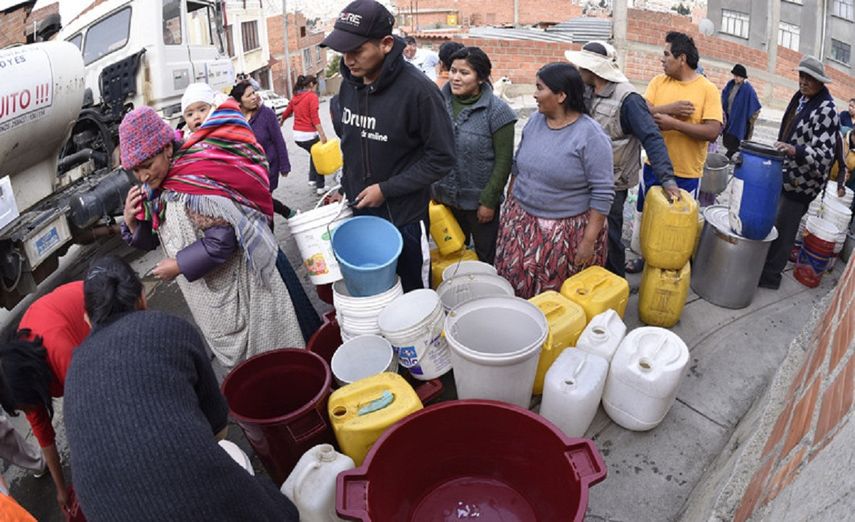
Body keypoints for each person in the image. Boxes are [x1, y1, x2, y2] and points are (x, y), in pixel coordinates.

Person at [64, 256, 299, 521]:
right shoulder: (167, 327)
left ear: (87, 318)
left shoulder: (74, 368)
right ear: (142, 298)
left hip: (105, 514)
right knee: (282, 510)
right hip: (188, 500)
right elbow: (218, 429)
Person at [119, 104, 319, 368]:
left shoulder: (194, 181)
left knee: (276, 361)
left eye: (147, 165)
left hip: (245, 293)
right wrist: (132, 224)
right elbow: (160, 236)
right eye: (136, 171)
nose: (143, 176)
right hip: (213, 301)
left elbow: (224, 240)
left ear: (167, 148)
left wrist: (179, 265)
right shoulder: (158, 189)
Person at [320, 0, 455, 292]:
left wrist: (386, 189)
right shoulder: (347, 86)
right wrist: (346, 186)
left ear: (386, 43)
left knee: (410, 296)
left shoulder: (419, 92)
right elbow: (352, 145)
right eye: (343, 51)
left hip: (403, 219)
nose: (348, 60)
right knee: (370, 293)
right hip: (360, 215)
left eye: (357, 50)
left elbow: (442, 158)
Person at [495, 62, 614, 299]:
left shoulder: (591, 136)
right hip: (522, 224)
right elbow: (518, 165)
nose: (535, 94)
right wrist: (510, 204)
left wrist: (589, 242)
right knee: (516, 286)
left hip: (564, 235)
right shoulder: (535, 122)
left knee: (553, 297)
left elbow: (602, 193)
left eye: (540, 88)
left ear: (561, 95)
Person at [565, 41, 678, 278]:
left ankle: (615, 283)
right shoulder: (586, 90)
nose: (578, 70)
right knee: (586, 232)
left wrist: (667, 179)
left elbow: (652, 138)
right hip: (583, 176)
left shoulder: (628, 99)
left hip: (613, 182)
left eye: (582, 66)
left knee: (610, 236)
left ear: (595, 69)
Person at [628, 31, 723, 273]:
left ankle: (668, 266)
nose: (662, 59)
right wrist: (670, 109)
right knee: (645, 215)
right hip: (652, 167)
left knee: (674, 224)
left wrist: (675, 125)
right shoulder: (658, 82)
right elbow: (643, 111)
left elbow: (713, 131)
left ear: (681, 58)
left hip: (686, 173)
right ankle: (642, 257)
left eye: (666, 54)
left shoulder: (707, 90)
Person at [0, 281, 89, 511]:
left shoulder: (60, 352)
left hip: (110, 307)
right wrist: (62, 490)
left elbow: (92, 419)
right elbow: (42, 431)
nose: (29, 412)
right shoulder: (20, 373)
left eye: (26, 406)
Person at [759, 56, 839, 289]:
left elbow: (825, 155)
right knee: (773, 223)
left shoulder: (827, 109)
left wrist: (795, 150)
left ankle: (771, 276)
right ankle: (763, 267)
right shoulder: (801, 98)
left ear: (820, 82)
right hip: (785, 175)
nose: (803, 81)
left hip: (801, 183)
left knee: (784, 231)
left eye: (809, 78)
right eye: (801, 76)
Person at [432, 47, 516, 264]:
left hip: (480, 205)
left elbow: (504, 161)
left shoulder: (498, 112)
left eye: (464, 73)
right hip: (443, 199)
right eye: (453, 71)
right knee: (450, 255)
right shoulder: (438, 103)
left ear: (480, 78)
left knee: (484, 257)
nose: (456, 78)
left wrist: (488, 201)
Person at [231, 80, 295, 219]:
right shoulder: (235, 119)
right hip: (248, 171)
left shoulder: (266, 114)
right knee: (256, 202)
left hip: (268, 167)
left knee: (263, 202)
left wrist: (284, 165)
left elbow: (279, 140)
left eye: (253, 93)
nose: (254, 97)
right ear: (239, 101)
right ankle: (286, 212)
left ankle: (280, 220)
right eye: (248, 95)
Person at [281, 74, 330, 195]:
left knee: (313, 154)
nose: (315, 89)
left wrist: (281, 122)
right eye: (315, 86)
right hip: (309, 135)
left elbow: (287, 112)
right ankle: (320, 186)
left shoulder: (295, 98)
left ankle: (312, 180)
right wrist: (322, 135)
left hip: (297, 136)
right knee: (319, 156)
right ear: (311, 85)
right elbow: (315, 117)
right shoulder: (311, 97)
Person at [721, 64, 762, 158]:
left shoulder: (748, 89)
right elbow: (724, 95)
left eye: (738, 76)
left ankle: (730, 155)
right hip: (729, 116)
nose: (736, 78)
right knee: (728, 137)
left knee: (736, 139)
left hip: (740, 120)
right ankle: (730, 154)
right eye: (735, 75)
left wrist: (750, 120)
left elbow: (755, 105)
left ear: (743, 77)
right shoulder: (731, 84)